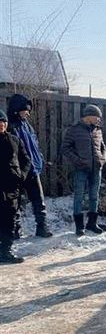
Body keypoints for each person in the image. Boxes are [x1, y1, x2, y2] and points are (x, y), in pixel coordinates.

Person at [7, 94, 52, 238]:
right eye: (25, 110)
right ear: (16, 110)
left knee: (39, 200)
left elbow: (35, 144)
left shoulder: (27, 125)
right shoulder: (10, 126)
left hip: (33, 169)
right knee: (15, 203)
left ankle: (42, 227)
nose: (28, 112)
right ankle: (15, 229)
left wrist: (40, 158)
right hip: (18, 171)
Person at [61, 105, 106, 236]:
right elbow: (65, 148)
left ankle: (92, 224)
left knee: (94, 196)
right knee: (79, 197)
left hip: (96, 169)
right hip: (81, 169)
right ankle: (79, 227)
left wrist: (102, 160)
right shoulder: (74, 129)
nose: (99, 119)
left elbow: (103, 147)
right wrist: (78, 161)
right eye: (97, 116)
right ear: (89, 116)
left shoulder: (98, 130)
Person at [0, 110, 31, 264]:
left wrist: (22, 175)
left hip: (12, 187)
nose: (1, 125)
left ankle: (5, 251)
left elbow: (26, 160)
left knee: (9, 220)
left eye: (3, 122)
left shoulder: (15, 140)